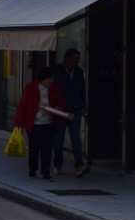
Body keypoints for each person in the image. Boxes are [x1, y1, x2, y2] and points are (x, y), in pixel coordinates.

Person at [13, 65, 68, 181]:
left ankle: (46, 172)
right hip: (33, 124)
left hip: (49, 123)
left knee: (47, 148)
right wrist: (18, 122)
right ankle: (32, 170)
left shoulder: (55, 88)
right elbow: (23, 105)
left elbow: (62, 102)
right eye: (50, 79)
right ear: (43, 78)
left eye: (53, 79)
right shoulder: (31, 87)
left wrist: (58, 108)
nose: (51, 81)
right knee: (34, 148)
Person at [53, 48, 89, 176]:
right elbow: (54, 90)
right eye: (76, 59)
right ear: (68, 59)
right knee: (58, 140)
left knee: (76, 138)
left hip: (75, 109)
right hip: (61, 110)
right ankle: (58, 165)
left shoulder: (79, 72)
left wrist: (83, 104)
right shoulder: (58, 72)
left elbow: (82, 88)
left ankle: (79, 165)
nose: (77, 62)